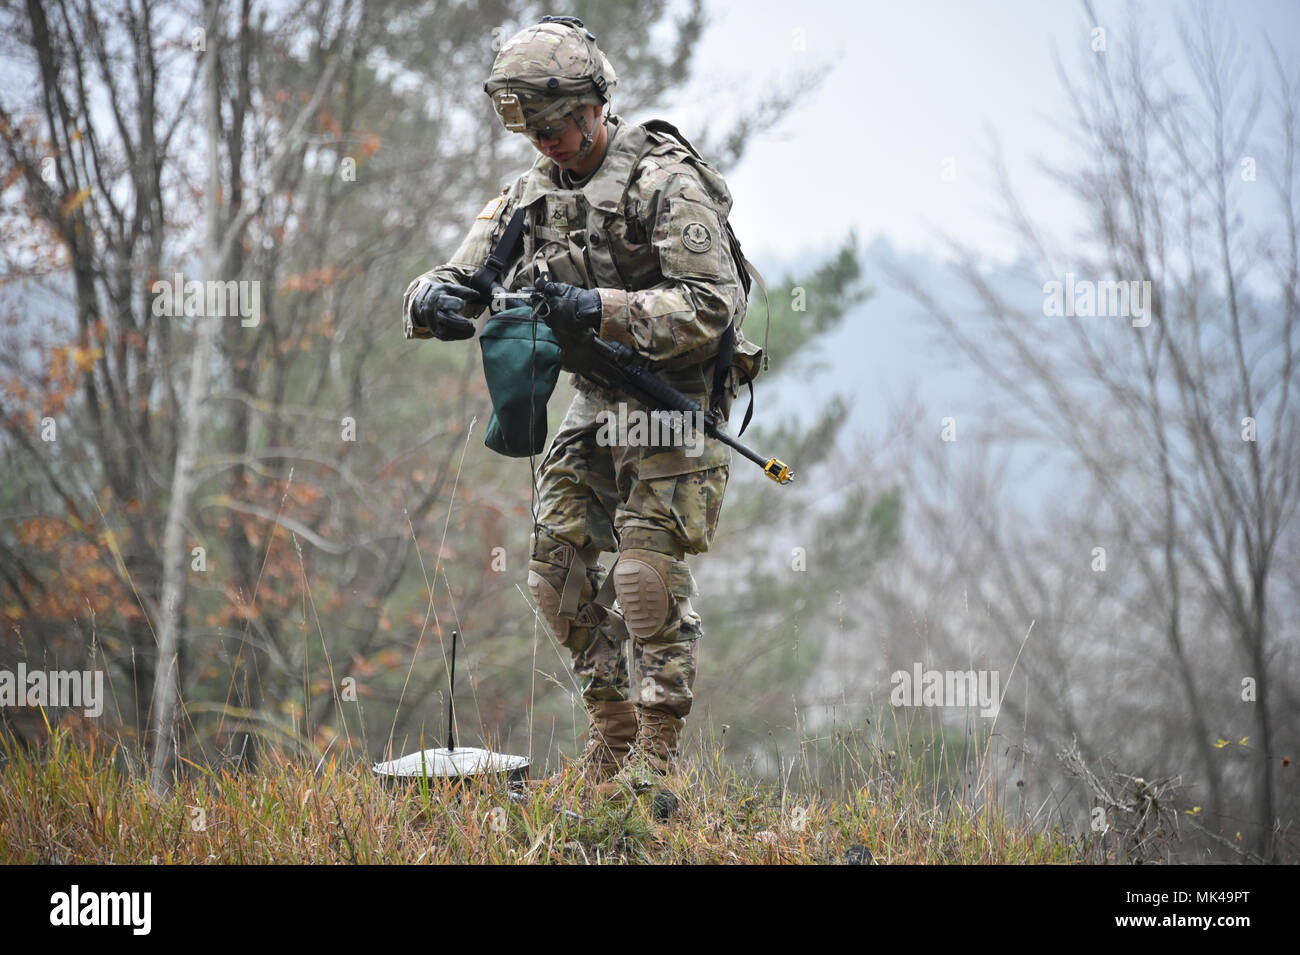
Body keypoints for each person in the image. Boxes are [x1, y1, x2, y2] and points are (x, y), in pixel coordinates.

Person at [402, 15, 761, 793]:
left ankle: (659, 755)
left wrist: (596, 307)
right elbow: (465, 270)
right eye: (532, 129)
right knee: (554, 568)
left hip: (673, 396)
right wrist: (431, 296)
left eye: (558, 124)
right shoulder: (532, 194)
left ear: (595, 106)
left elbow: (710, 307)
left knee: (641, 574)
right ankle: (614, 730)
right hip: (599, 398)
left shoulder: (664, 180)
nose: (546, 141)